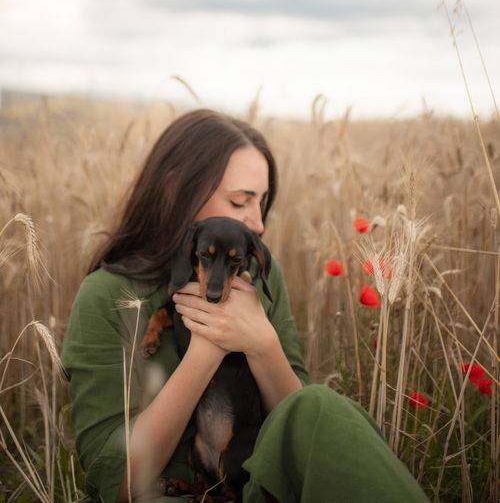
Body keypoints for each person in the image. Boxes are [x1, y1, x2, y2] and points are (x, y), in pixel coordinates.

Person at [61, 109, 429, 503]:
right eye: (240, 201)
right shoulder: (106, 295)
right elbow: (117, 483)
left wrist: (261, 343)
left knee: (323, 405)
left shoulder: (258, 277)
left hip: (256, 486)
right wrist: (208, 346)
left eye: (263, 201)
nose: (258, 223)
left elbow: (303, 429)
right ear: (176, 191)